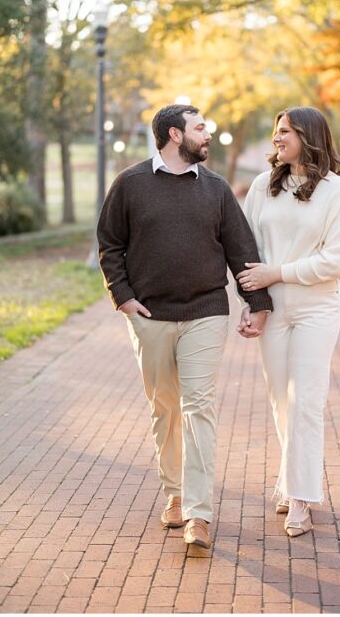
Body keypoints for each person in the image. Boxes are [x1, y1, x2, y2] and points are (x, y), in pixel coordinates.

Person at [97, 103, 273, 551]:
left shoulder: (215, 189)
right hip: (150, 316)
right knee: (165, 407)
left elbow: (241, 248)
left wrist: (257, 301)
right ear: (175, 135)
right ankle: (173, 493)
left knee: (198, 406)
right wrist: (124, 297)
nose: (207, 135)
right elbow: (110, 244)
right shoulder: (131, 185)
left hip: (206, 311)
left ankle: (198, 513)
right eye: (200, 129)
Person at [237, 106, 340, 537]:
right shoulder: (261, 187)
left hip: (317, 307)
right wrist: (253, 302)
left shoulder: (339, 192)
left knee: (306, 400)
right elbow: (245, 249)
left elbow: (337, 261)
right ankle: (293, 481)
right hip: (274, 308)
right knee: (281, 400)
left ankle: (301, 498)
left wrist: (279, 272)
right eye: (275, 130)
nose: (276, 137)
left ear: (308, 136)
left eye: (284, 131)